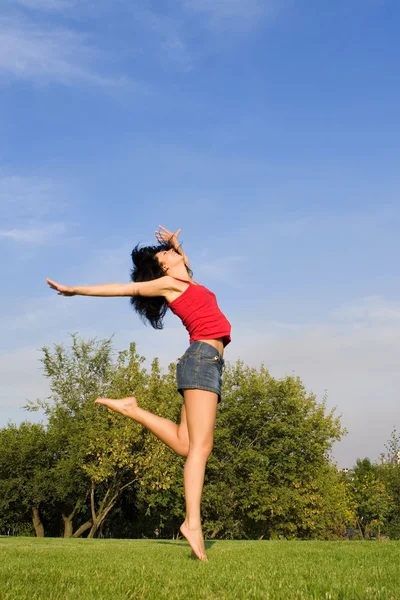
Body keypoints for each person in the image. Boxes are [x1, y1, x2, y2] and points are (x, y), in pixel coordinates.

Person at [46, 225, 231, 562]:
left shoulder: (186, 279)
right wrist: (75, 290)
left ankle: (133, 409)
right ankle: (192, 522)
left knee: (185, 443)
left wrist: (175, 244)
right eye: (166, 253)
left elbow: (186, 264)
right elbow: (123, 288)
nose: (173, 253)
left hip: (208, 362)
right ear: (162, 267)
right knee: (201, 448)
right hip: (201, 360)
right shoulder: (169, 284)